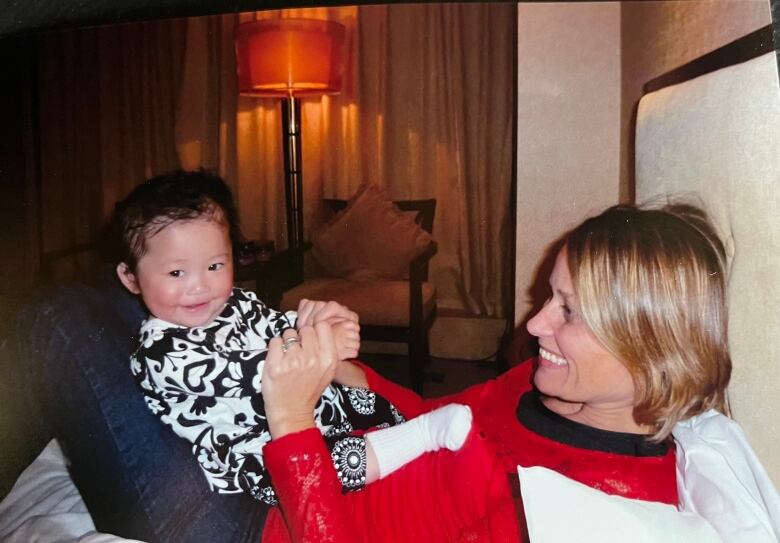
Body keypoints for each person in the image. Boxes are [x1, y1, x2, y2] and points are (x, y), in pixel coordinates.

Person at [257, 202, 734, 542]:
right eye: (551, 296)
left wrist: (291, 421)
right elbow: (429, 419)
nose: (536, 323)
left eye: (568, 311)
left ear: (650, 349)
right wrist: (336, 364)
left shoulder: (581, 511)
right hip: (309, 488)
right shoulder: (544, 382)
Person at [113, 170, 473, 508]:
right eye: (177, 272)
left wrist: (318, 319)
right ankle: (422, 437)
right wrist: (319, 343)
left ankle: (411, 444)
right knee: (320, 466)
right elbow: (253, 370)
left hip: (307, 412)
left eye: (215, 266)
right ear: (130, 278)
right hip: (256, 450)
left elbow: (276, 324)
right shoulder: (160, 352)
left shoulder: (235, 301)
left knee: (359, 396)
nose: (199, 285)